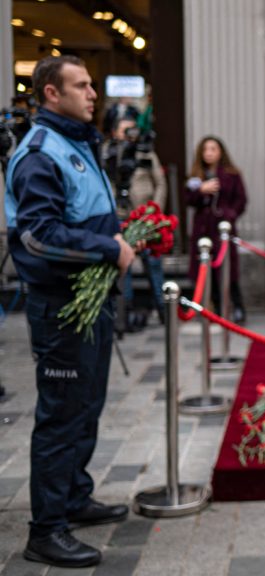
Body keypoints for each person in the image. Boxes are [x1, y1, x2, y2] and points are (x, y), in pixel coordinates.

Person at [4, 55, 132, 568]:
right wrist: (110, 249)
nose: (92, 93)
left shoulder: (77, 141)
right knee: (60, 415)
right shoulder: (39, 152)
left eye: (92, 85)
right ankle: (46, 528)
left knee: (85, 405)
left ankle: (73, 496)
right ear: (50, 94)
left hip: (91, 303)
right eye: (81, 86)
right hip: (60, 307)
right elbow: (37, 236)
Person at [103, 117, 167, 328]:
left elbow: (160, 183)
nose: (130, 134)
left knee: (153, 263)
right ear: (115, 132)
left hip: (144, 217)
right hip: (120, 215)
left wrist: (153, 211)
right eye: (125, 130)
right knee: (124, 264)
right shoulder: (107, 152)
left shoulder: (145, 152)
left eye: (133, 130)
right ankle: (126, 312)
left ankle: (164, 309)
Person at [186, 136, 247, 323]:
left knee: (228, 269)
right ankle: (216, 306)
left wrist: (229, 215)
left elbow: (241, 200)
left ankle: (237, 306)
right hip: (203, 228)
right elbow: (188, 200)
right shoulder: (196, 176)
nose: (209, 153)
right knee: (206, 269)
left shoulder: (231, 174)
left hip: (223, 229)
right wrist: (200, 191)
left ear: (220, 151)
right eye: (205, 150)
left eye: (213, 149)